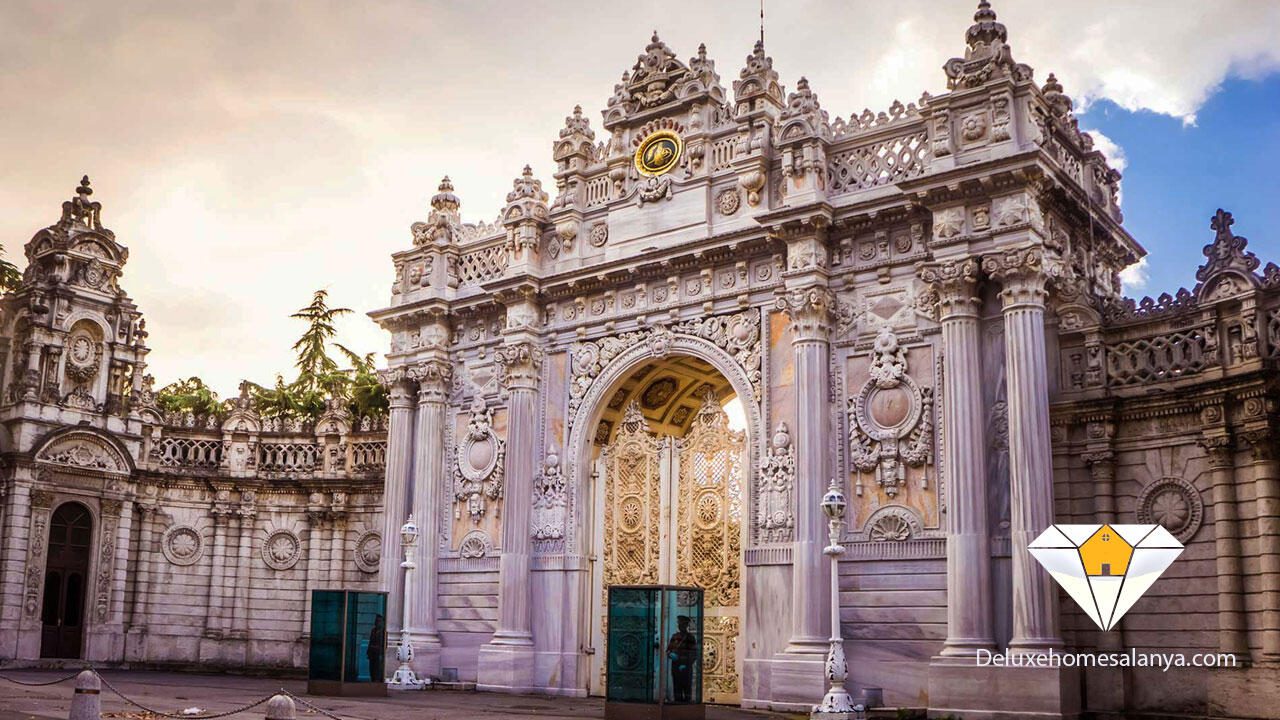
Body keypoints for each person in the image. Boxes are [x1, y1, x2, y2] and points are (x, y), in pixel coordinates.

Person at [666, 614, 698, 702]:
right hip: (676, 667)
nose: (680, 626)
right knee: (677, 688)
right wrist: (671, 655)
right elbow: (668, 650)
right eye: (679, 624)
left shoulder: (690, 638)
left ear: (686, 625)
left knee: (687, 688)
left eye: (683, 624)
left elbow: (694, 653)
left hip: (686, 667)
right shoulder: (675, 637)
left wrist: (686, 664)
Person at [367, 614, 386, 682]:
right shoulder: (373, 630)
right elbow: (370, 641)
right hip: (372, 654)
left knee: (377, 671)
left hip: (378, 654)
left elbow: (384, 644)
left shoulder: (384, 632)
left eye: (378, 621)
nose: (376, 622)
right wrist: (368, 652)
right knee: (372, 670)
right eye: (376, 621)